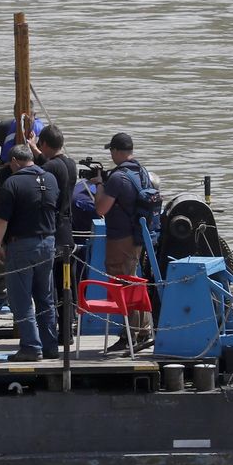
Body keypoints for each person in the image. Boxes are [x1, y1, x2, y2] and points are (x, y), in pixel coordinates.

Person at [0, 144, 59, 361]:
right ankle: (50, 346)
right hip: (48, 242)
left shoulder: (12, 182)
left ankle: (31, 346)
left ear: (14, 162)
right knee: (45, 297)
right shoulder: (51, 179)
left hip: (21, 245)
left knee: (21, 298)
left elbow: (2, 219)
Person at [0, 112, 44, 309]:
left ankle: (24, 292)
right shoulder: (6, 126)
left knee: (23, 242)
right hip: (5, 189)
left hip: (30, 192)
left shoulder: (41, 131)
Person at [94, 132, 153, 351]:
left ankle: (130, 334)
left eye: (111, 150)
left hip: (121, 238)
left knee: (122, 283)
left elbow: (101, 209)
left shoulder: (118, 178)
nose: (111, 154)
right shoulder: (141, 172)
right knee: (133, 280)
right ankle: (142, 330)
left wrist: (99, 186)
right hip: (138, 236)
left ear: (118, 151)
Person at [28, 124, 77, 342]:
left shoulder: (50, 169)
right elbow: (51, 165)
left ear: (45, 144)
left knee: (52, 282)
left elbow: (42, 174)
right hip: (68, 227)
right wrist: (37, 152)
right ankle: (68, 330)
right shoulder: (69, 163)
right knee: (67, 281)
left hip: (53, 229)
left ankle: (54, 332)